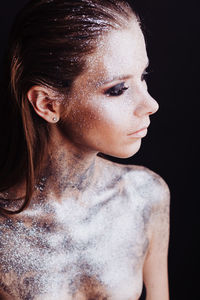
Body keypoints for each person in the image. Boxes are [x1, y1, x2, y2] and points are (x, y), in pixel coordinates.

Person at [0, 0, 170, 299]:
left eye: (143, 77)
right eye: (118, 89)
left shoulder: (145, 196)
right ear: (48, 104)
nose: (151, 104)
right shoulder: (6, 233)